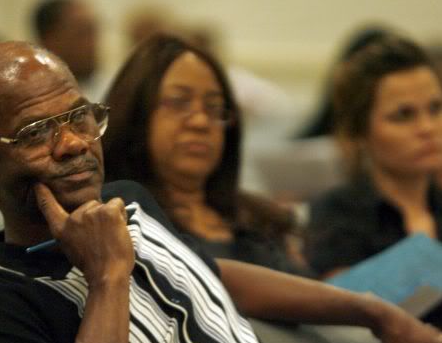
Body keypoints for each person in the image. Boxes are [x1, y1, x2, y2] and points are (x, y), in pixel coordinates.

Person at [0, 40, 442, 343]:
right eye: (38, 131)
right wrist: (109, 278)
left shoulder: (130, 201)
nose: (73, 144)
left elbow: (208, 272)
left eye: (79, 117)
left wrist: (370, 309)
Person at [304, 35, 442, 333]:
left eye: (437, 108)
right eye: (404, 115)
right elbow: (340, 326)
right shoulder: (337, 213)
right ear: (360, 131)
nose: (428, 128)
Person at [103, 34, 307, 275]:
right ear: (136, 114)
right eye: (179, 102)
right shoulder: (117, 219)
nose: (201, 122)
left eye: (213, 107)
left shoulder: (263, 219)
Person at [31, 0, 109, 101]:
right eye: (82, 32)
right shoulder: (33, 100)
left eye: (94, 31)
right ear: (49, 40)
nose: (93, 42)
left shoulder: (114, 91)